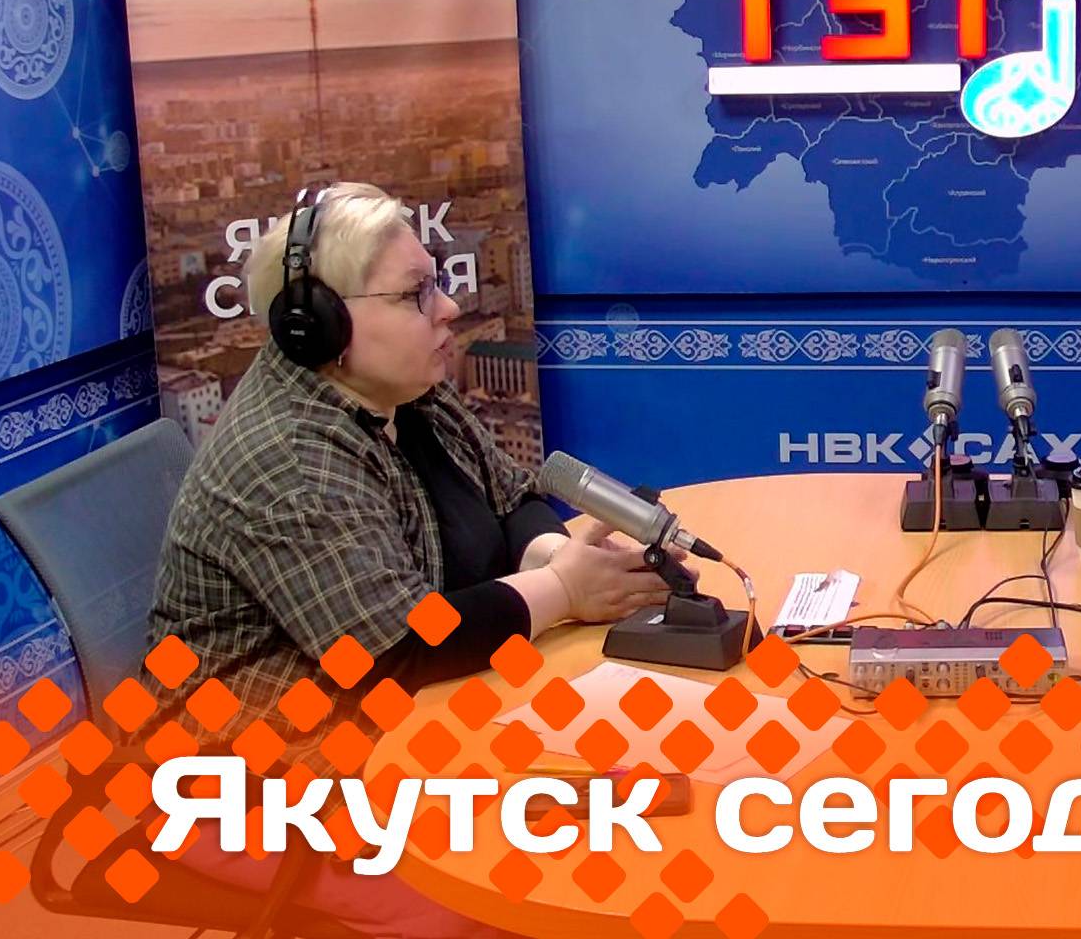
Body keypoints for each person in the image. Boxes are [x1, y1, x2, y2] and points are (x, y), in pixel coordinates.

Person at [137, 182, 677, 938]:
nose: (448, 308)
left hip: (397, 737)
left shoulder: (404, 391)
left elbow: (509, 494)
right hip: (263, 789)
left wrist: (556, 553)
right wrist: (561, 589)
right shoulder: (287, 461)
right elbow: (393, 650)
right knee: (542, 899)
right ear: (320, 325)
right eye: (415, 293)